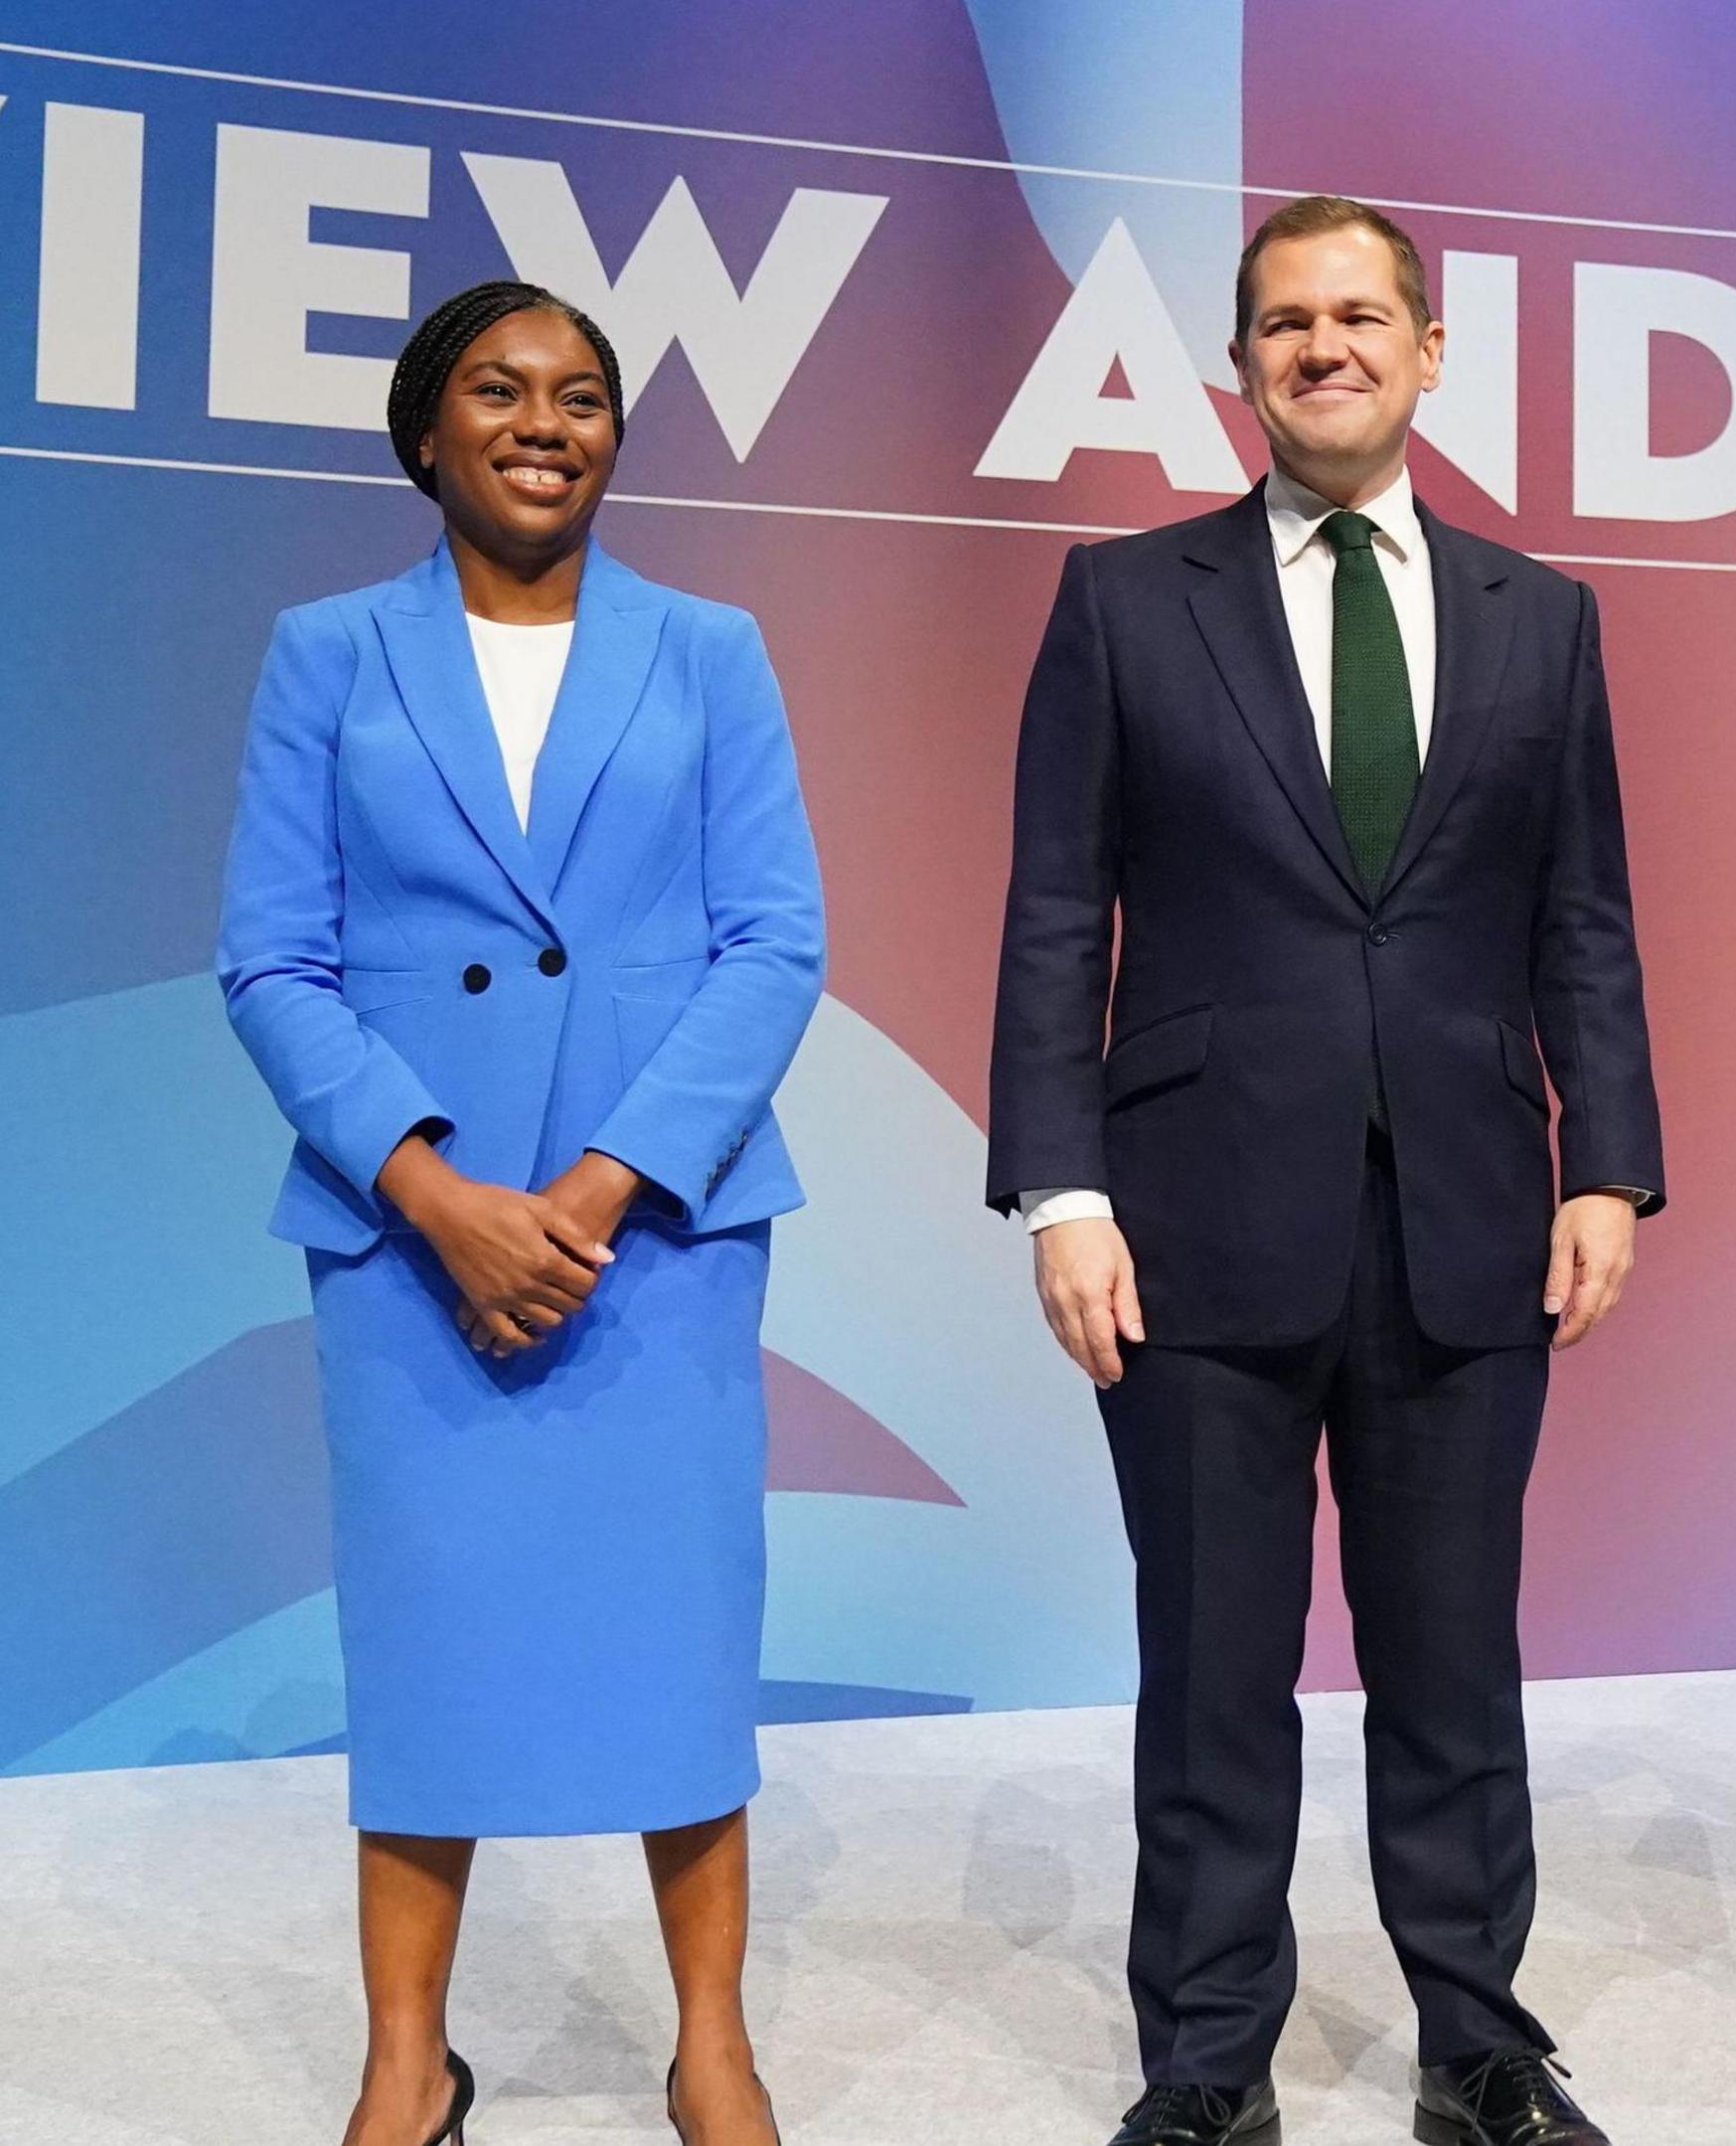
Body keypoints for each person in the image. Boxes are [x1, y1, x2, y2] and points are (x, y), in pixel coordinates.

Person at [986, 195, 1661, 2146]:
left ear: (1429, 348)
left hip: (1467, 1213)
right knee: (1214, 1676)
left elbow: (1585, 919)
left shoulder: (1547, 617)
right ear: (1244, 360)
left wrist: (1605, 1160)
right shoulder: (1124, 599)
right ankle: (1207, 2067)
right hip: (1188, 1219)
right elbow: (1054, 914)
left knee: (1453, 1667)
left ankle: (1479, 2048)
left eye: (1361, 315)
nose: (1324, 347)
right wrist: (1063, 1188)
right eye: (1286, 321)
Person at [216, 280, 826, 2146]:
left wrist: (588, 1193)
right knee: (429, 1639)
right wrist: (437, 1195)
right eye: (499, 388)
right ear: (427, 433)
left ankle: (708, 2041)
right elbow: (269, 959)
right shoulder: (325, 652)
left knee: (679, 1627)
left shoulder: (711, 647)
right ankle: (411, 2056)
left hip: (654, 1235)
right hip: (410, 1242)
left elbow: (774, 942)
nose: (544, 419)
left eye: (581, 395)